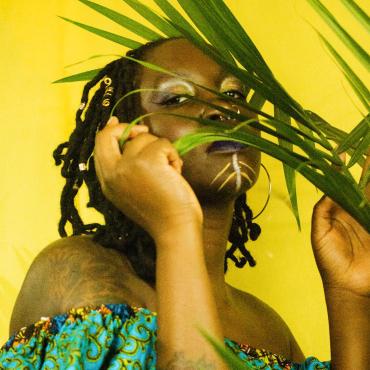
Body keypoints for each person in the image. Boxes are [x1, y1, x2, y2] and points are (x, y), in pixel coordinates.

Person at [1, 38, 369, 369]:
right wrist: (175, 227)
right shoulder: (77, 273)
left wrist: (348, 294)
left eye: (235, 95)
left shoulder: (266, 325)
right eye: (177, 98)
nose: (221, 110)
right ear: (124, 137)